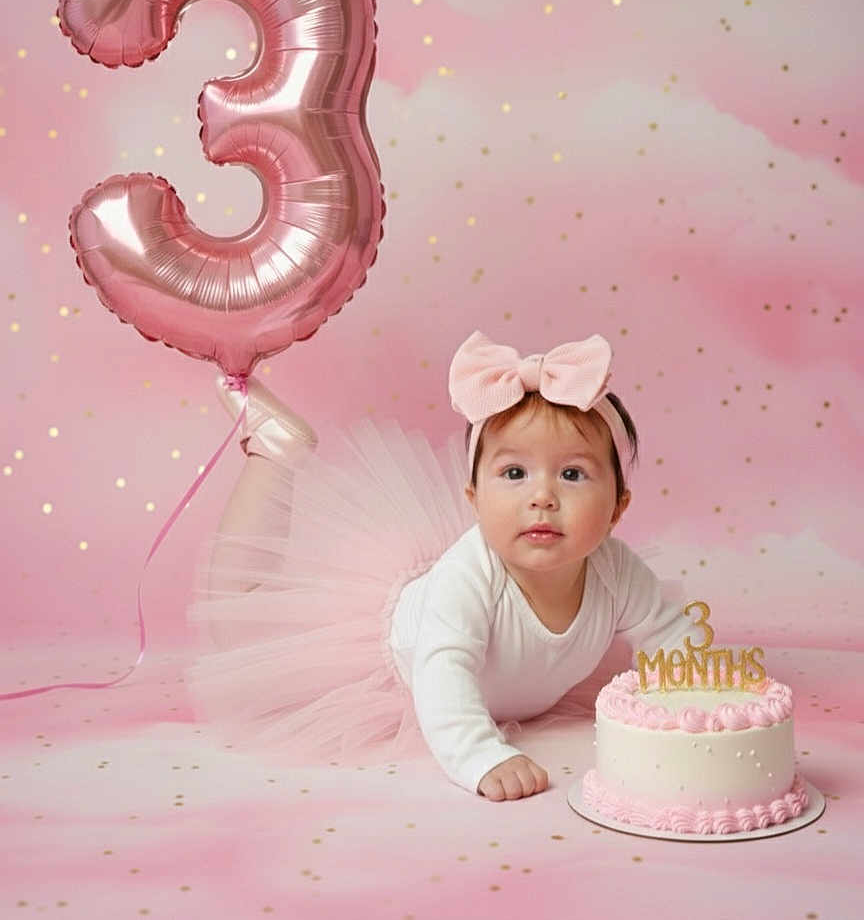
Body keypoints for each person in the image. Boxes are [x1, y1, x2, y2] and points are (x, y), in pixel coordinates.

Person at [185, 330, 694, 801]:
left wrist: (698, 701)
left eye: (573, 474)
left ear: (617, 509)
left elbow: (670, 636)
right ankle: (274, 451)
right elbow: (443, 674)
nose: (542, 496)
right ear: (474, 499)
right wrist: (480, 754)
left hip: (508, 688)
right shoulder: (469, 577)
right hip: (385, 662)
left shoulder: (616, 571)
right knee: (240, 629)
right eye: (514, 473)